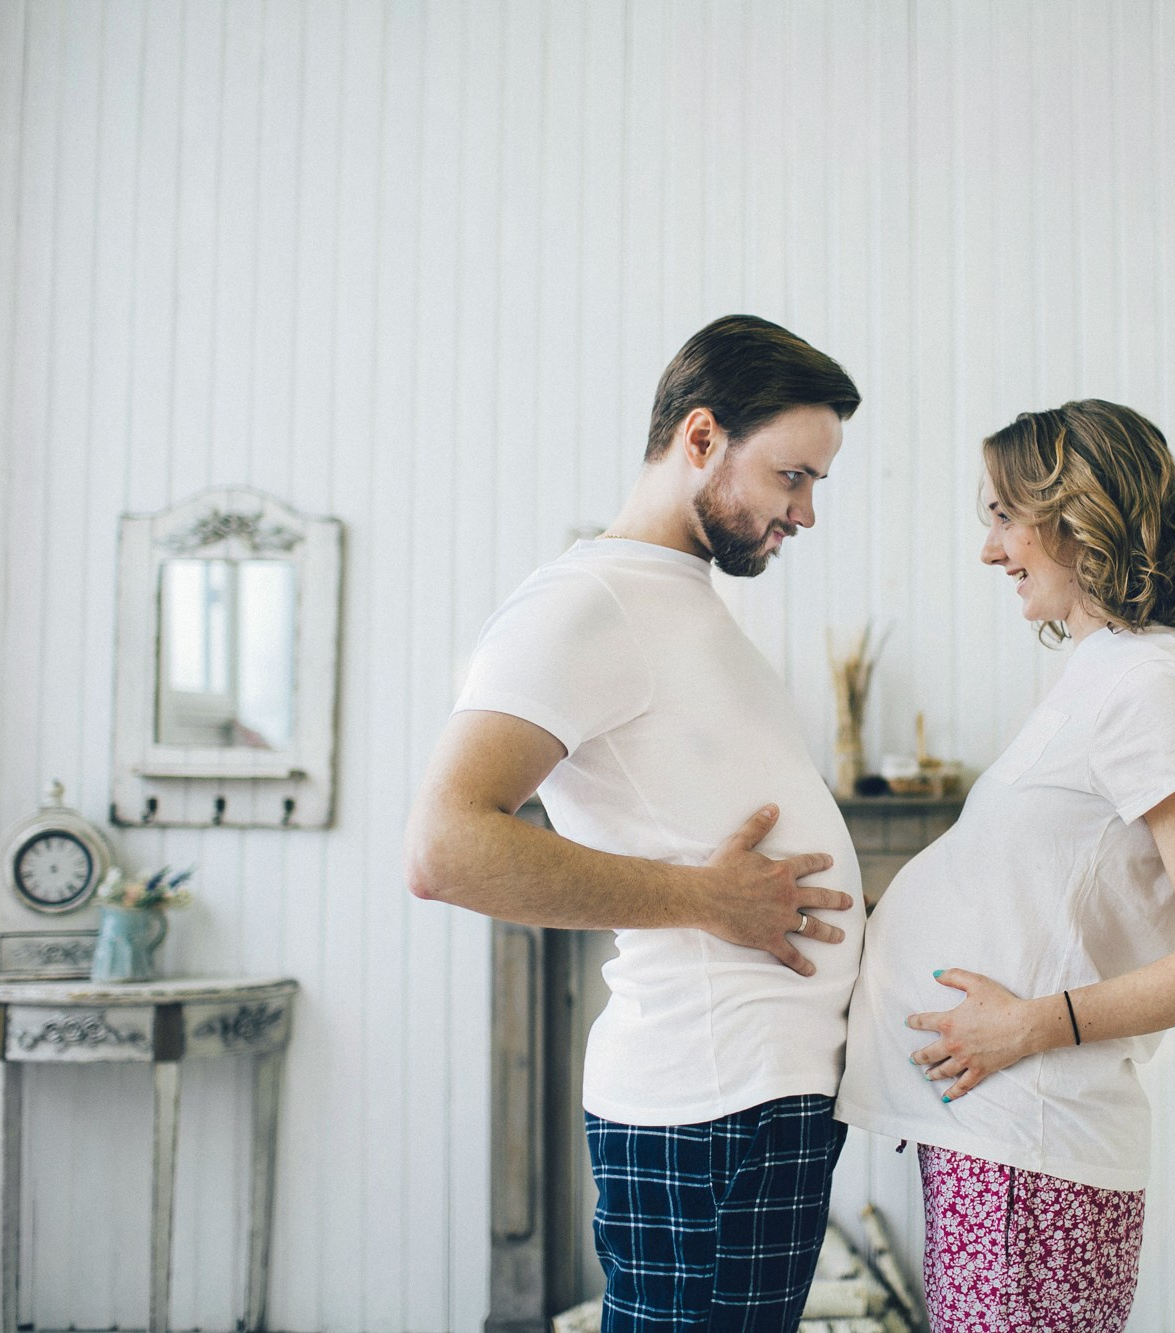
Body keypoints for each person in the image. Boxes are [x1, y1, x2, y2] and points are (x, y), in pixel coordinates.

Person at [404, 315, 866, 1331]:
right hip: (707, 1108)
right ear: (700, 438)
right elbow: (445, 846)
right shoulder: (581, 605)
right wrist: (704, 900)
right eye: (793, 476)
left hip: (759, 1098)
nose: (805, 512)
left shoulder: (678, 601)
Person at [833, 400, 1175, 1332]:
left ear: (1078, 516)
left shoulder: (1147, 686)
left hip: (1031, 1151)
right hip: (1002, 1145)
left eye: (1003, 517)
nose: (990, 551)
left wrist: (1031, 1026)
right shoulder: (1104, 672)